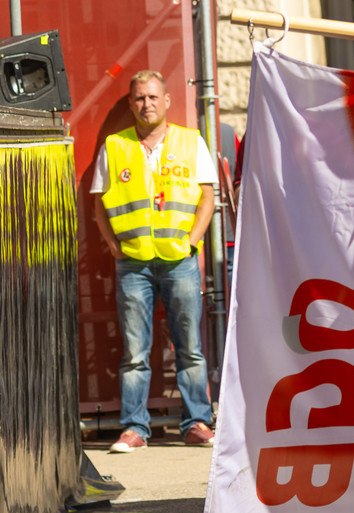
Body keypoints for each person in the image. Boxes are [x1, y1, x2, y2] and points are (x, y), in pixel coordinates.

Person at [91, 70, 218, 452]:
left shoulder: (191, 142)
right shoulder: (114, 146)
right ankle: (135, 429)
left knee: (189, 347)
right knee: (134, 352)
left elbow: (207, 197)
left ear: (166, 101)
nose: (146, 104)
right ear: (131, 104)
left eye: (152, 97)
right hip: (133, 264)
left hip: (179, 260)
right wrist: (112, 245)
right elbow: (98, 202)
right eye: (139, 98)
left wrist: (192, 242)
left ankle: (197, 423)